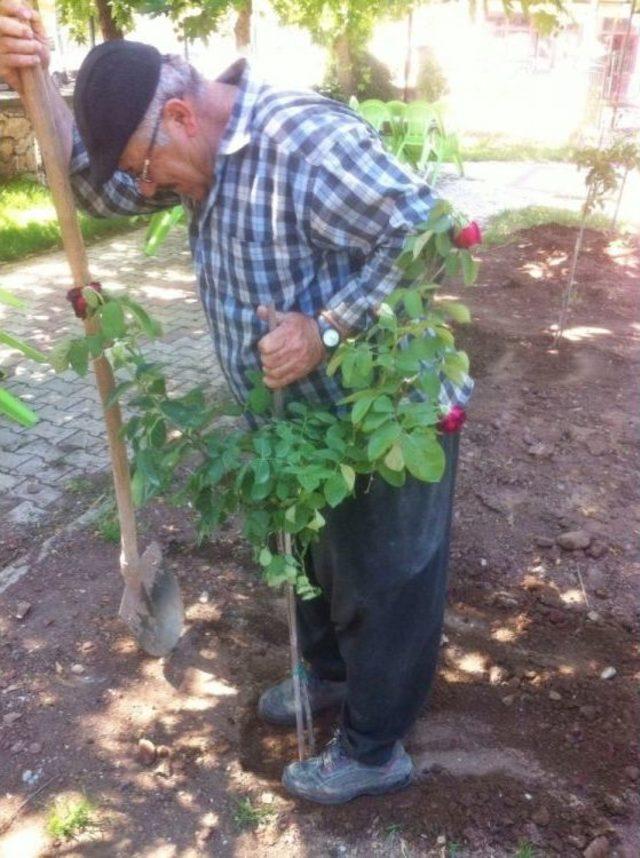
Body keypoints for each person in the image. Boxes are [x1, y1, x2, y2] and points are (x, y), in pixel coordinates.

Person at [0, 2, 473, 805]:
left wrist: (326, 328)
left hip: (386, 414)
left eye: (149, 168)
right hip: (302, 425)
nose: (146, 189)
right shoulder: (192, 147)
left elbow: (428, 231)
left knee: (386, 578)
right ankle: (327, 678)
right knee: (320, 558)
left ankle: (373, 748)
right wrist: (30, 80)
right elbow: (101, 187)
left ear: (181, 116)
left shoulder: (302, 142)